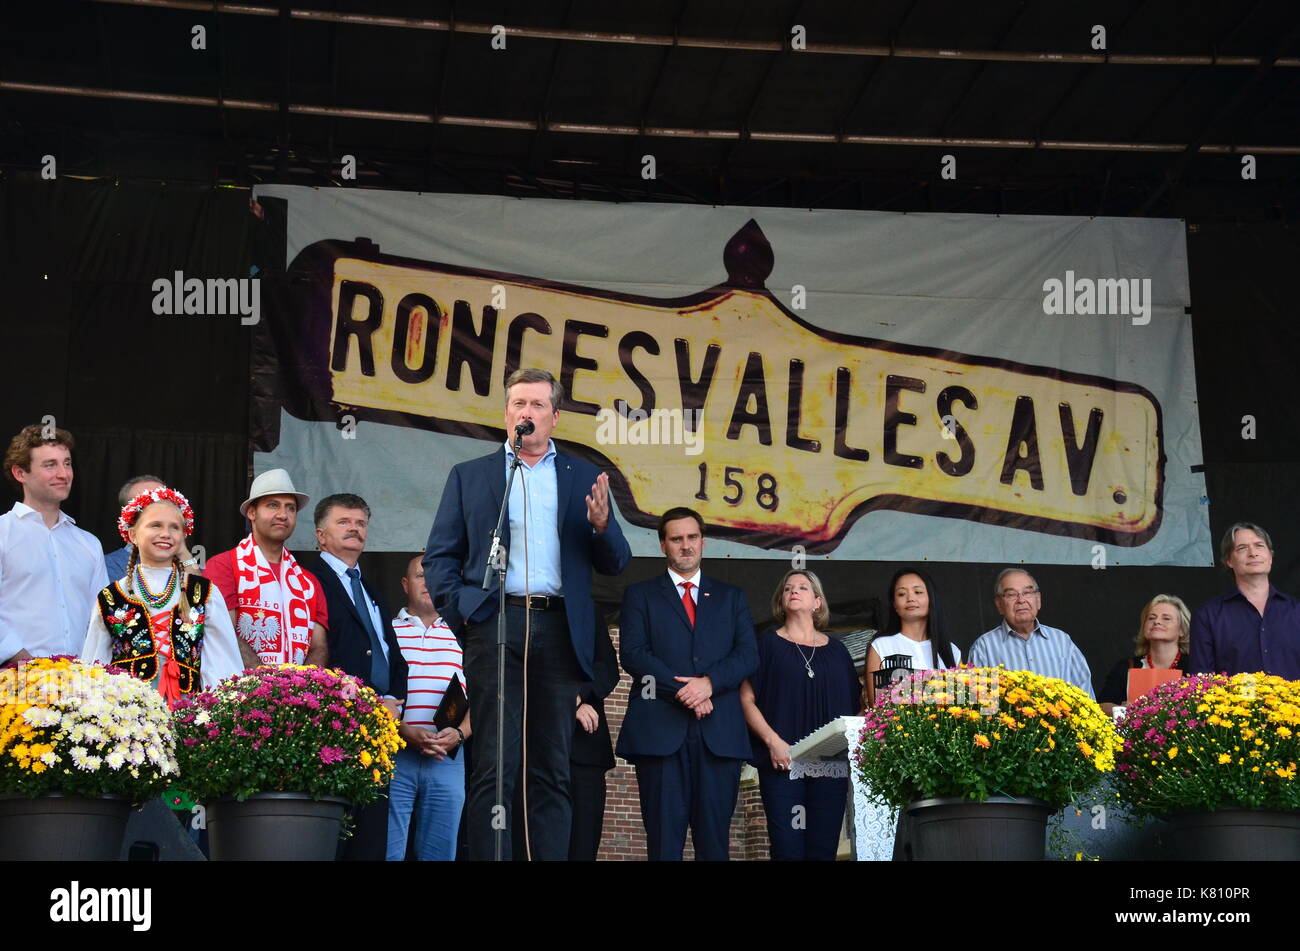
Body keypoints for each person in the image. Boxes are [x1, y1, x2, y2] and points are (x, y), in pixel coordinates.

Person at [422, 368, 631, 861]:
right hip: (497, 622)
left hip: (558, 628)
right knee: (494, 761)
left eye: (537, 405)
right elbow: (439, 558)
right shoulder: (470, 475)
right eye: (518, 404)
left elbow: (617, 562)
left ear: (555, 417)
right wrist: (469, 611)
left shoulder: (583, 476)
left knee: (551, 766)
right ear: (506, 414)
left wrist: (603, 526)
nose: (526, 413)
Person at [616, 506, 758, 861]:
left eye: (692, 538)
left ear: (703, 542)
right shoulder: (640, 594)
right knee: (664, 844)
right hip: (661, 732)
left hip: (718, 733)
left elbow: (748, 655)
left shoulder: (731, 597)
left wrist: (708, 684)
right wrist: (686, 691)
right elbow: (633, 654)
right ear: (663, 544)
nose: (685, 546)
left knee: (715, 845)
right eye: (676, 539)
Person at [299, 493, 407, 861]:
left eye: (361, 523)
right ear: (320, 535)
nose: (355, 529)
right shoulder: (307, 581)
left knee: (370, 837)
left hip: (378, 726)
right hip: (333, 722)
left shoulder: (370, 590)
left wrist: (394, 696)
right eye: (344, 522)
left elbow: (392, 654)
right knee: (333, 835)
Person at [739, 569, 858, 861]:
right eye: (788, 588)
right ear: (781, 600)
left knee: (823, 851)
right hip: (784, 763)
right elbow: (746, 698)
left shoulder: (839, 651)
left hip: (830, 768)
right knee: (787, 849)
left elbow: (855, 708)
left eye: (803, 587)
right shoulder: (766, 645)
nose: (794, 591)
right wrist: (772, 741)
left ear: (817, 602)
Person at [82, 487, 242, 704]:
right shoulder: (112, 596)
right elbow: (95, 664)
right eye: (155, 525)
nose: (165, 533)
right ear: (132, 535)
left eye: (174, 527)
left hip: (188, 715)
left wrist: (216, 715)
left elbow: (222, 663)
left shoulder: (203, 593)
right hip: (129, 717)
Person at [0, 424, 108, 666]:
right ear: (20, 473)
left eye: (67, 463)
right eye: (50, 465)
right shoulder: (3, 533)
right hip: (11, 683)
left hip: (82, 689)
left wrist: (95, 676)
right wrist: (24, 663)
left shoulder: (88, 543)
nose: (63, 474)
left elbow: (100, 620)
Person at [388, 555, 471, 861]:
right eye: (421, 575)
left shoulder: (465, 632)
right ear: (405, 584)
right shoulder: (387, 629)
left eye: (436, 576)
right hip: (394, 754)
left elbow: (483, 694)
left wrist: (460, 734)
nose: (429, 582)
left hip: (447, 759)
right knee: (387, 851)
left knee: (440, 854)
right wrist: (401, 730)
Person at [204, 469, 329, 669]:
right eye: (273, 505)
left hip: (296, 696)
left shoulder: (308, 582)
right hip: (239, 694)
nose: (283, 515)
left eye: (291, 508)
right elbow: (224, 631)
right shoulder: (224, 565)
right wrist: (268, 687)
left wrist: (298, 689)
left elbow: (319, 647)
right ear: (252, 512)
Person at [1190, 522, 1300, 680]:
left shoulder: (1296, 611)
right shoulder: (1208, 615)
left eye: (1259, 546)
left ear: (1270, 557)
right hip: (1232, 705)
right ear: (1229, 560)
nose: (1253, 553)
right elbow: (1201, 681)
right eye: (1242, 548)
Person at [967, 568, 1094, 697]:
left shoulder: (1062, 641)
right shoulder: (984, 647)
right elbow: (981, 707)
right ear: (999, 605)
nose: (1021, 600)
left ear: (1038, 600)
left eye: (1027, 592)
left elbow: (1087, 699)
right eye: (1011, 594)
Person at [864, 567, 962, 705]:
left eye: (918, 592)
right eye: (902, 594)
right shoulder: (880, 646)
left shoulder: (952, 651)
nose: (910, 598)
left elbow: (961, 704)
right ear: (894, 605)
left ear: (931, 598)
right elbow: (878, 707)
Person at [568, 614, 619, 861]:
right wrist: (569, 702)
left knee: (584, 844)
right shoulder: (520, 610)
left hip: (585, 749)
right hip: (535, 749)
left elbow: (608, 669)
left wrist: (577, 696)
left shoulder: (590, 614)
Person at [1098, 594, 1191, 716]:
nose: (1157, 622)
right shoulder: (1125, 667)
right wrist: (1122, 710)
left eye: (1166, 618)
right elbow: (1102, 705)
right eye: (1151, 618)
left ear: (1182, 630)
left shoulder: (1194, 667)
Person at [104, 474, 176, 581]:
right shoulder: (109, 565)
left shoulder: (184, 561)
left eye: (165, 502)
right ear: (128, 518)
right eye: (147, 505)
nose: (161, 512)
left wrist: (183, 554)